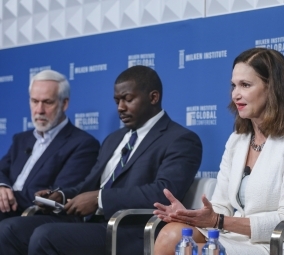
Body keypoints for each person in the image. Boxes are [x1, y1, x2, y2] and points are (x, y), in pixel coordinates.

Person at [0, 65, 203, 255]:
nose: (120, 108)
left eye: (127, 99)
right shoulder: (114, 139)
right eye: (117, 101)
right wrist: (61, 196)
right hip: (91, 223)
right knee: (9, 229)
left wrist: (100, 199)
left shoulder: (181, 139)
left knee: (45, 236)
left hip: (129, 228)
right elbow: (88, 185)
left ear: (153, 97)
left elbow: (163, 192)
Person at [153, 48, 284, 255]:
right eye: (234, 85)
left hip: (282, 244)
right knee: (171, 234)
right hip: (237, 238)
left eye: (245, 85)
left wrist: (219, 221)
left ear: (273, 88)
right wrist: (191, 216)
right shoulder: (238, 139)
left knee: (197, 252)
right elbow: (220, 207)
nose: (235, 94)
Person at [0, 69, 100, 220]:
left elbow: (56, 195)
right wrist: (3, 187)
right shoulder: (21, 139)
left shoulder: (83, 144)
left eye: (47, 102)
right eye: (34, 101)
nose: (39, 110)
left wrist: (6, 198)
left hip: (36, 218)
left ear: (64, 103)